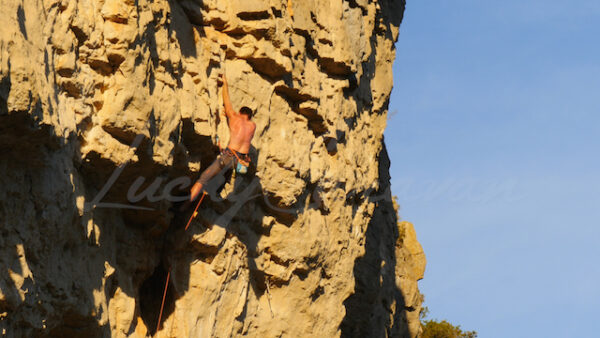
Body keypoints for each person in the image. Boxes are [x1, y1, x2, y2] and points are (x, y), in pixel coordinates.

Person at [187, 73, 256, 205]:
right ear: (250, 117)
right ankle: (212, 195)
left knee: (203, 179)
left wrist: (225, 82)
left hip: (228, 156)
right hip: (240, 163)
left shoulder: (235, 118)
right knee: (223, 177)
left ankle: (186, 203)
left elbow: (227, 101)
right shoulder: (253, 126)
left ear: (240, 113)